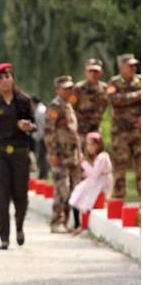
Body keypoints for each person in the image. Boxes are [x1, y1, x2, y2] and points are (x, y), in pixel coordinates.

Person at [0, 63, 35, 249]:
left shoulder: (23, 100)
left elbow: (34, 124)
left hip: (19, 153)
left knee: (21, 196)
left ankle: (19, 227)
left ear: (13, 78)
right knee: (1, 196)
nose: (4, 80)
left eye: (7, 76)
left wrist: (27, 126)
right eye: (0, 77)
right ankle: (4, 237)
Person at [44, 75, 82, 233]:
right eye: (65, 88)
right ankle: (56, 221)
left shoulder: (68, 105)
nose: (69, 91)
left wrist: (79, 153)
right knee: (62, 188)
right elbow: (49, 131)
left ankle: (66, 222)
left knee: (73, 188)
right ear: (58, 90)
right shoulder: (55, 106)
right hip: (60, 154)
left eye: (70, 88)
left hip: (71, 154)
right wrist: (52, 153)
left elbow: (73, 132)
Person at [107, 53, 141, 199]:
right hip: (120, 132)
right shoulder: (114, 83)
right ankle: (119, 201)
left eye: (134, 65)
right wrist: (136, 96)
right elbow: (114, 100)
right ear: (121, 67)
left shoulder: (140, 80)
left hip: (138, 131)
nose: (133, 68)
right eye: (130, 66)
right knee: (120, 168)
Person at [69, 132, 113, 235]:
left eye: (92, 145)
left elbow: (95, 174)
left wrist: (83, 162)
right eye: (88, 145)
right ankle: (78, 224)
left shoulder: (102, 157)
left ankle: (82, 225)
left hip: (100, 183)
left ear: (98, 145)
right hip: (95, 181)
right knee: (78, 195)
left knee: (84, 198)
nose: (90, 147)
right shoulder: (99, 157)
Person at [71, 58, 108, 148]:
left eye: (96, 71)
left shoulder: (105, 88)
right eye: (90, 71)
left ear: (101, 73)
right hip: (81, 130)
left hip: (96, 129)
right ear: (85, 72)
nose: (93, 74)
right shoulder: (78, 89)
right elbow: (70, 107)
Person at [31, 96, 48, 179]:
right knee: (42, 156)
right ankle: (42, 173)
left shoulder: (40, 111)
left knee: (42, 156)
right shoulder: (41, 109)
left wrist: (39, 136)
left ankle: (43, 174)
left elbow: (43, 126)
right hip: (43, 136)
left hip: (43, 137)